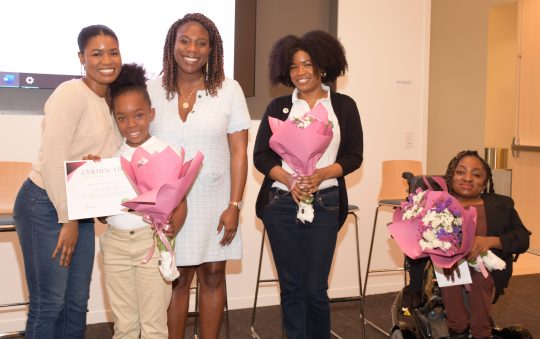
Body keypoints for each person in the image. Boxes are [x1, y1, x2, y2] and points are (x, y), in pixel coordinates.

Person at [13, 25, 122, 338]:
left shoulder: (112, 101)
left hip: (79, 209)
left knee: (76, 303)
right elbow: (53, 159)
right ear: (81, 58)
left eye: (113, 52)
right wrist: (68, 220)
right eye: (97, 53)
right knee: (50, 303)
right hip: (45, 205)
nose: (107, 60)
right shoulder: (70, 93)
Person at [253, 30, 363, 339]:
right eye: (293, 66)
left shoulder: (343, 106)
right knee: (291, 288)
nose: (300, 72)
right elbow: (261, 156)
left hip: (326, 203)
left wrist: (323, 173)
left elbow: (354, 156)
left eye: (307, 64)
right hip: (280, 203)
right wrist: (288, 179)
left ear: (323, 66)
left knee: (315, 288)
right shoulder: (279, 107)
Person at [146, 13, 250, 338]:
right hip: (169, 205)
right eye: (185, 41)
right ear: (172, 45)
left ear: (211, 49)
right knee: (176, 279)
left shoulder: (229, 90)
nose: (192, 49)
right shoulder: (151, 90)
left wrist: (235, 205)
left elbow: (239, 152)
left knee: (214, 274)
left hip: (215, 199)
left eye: (201, 43)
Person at [90, 63, 187, 338]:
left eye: (138, 115)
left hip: (150, 243)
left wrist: (171, 229)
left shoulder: (166, 153)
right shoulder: (110, 158)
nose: (131, 124)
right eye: (122, 118)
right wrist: (92, 179)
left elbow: (180, 204)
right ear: (115, 119)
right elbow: (101, 215)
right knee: (125, 326)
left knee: (154, 326)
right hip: (116, 245)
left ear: (151, 114)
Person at [440, 150, 530, 339]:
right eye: (460, 172)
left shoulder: (502, 205)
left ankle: (481, 333)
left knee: (481, 277)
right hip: (448, 266)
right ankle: (458, 330)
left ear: (485, 181)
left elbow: (522, 238)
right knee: (451, 271)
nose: (467, 178)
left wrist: (489, 241)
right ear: (451, 176)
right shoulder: (439, 205)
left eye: (476, 174)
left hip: (489, 267)